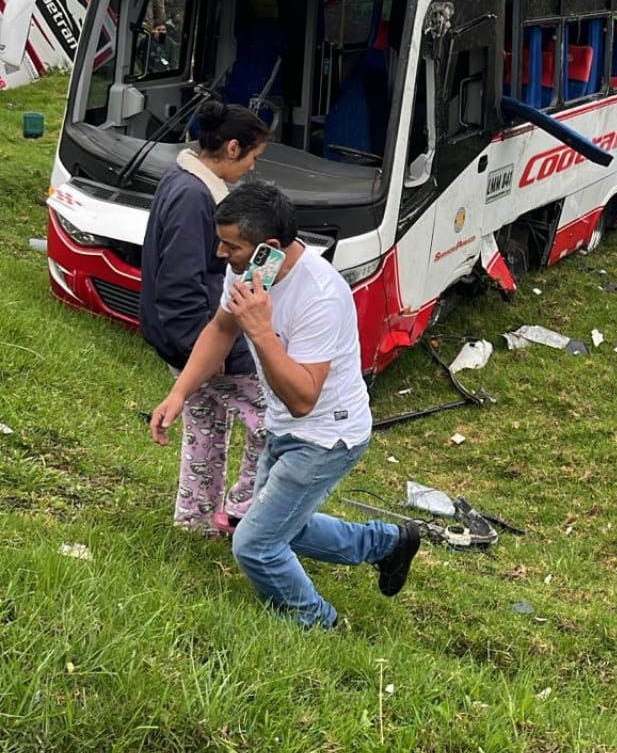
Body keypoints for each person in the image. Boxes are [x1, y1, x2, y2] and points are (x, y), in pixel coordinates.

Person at [148, 181, 420, 629]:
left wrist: (262, 330)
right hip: (282, 426)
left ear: (269, 248)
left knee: (255, 544)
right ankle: (387, 545)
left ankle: (319, 624)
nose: (220, 254)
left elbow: (303, 399)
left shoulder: (322, 296)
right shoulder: (248, 272)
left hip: (326, 436)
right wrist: (179, 394)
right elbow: (220, 329)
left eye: (230, 245)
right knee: (278, 525)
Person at [140, 102, 271, 537]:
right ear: (232, 148)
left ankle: (196, 520)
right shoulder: (197, 198)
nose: (252, 168)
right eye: (252, 158)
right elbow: (180, 283)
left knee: (206, 425)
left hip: (177, 337)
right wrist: (205, 348)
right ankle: (243, 513)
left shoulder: (181, 179)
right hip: (195, 337)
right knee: (271, 422)